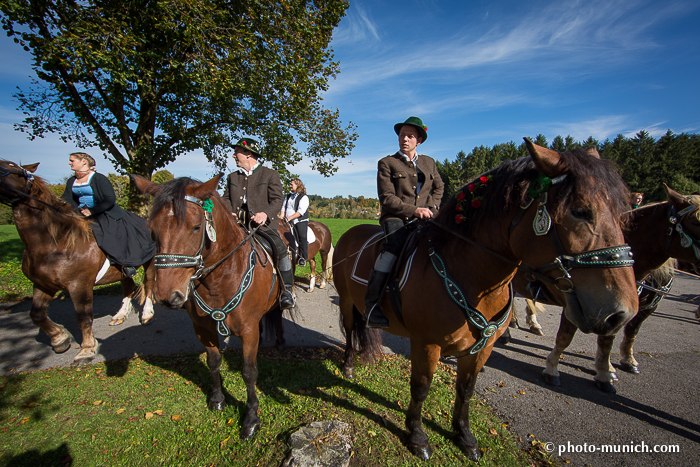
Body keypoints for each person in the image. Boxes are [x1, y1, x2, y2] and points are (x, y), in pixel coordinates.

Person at [364, 117, 444, 328]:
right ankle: (371, 305)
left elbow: (439, 188)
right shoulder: (387, 163)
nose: (404, 139)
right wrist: (415, 210)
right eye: (401, 135)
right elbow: (387, 198)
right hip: (396, 217)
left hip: (428, 215)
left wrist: (433, 208)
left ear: (419, 140)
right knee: (394, 246)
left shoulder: (429, 162)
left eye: (409, 136)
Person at [222, 138, 295, 310]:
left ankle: (287, 290)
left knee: (281, 248)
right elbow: (225, 198)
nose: (233, 156)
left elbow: (277, 200)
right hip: (236, 225)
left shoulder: (270, 174)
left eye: (237, 152)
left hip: (262, 226)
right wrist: (228, 210)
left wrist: (265, 214)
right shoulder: (232, 177)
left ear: (248, 154)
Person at [61, 152, 156, 278]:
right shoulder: (72, 180)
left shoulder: (98, 178)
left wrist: (92, 210)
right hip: (80, 214)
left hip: (104, 213)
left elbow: (109, 199)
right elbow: (67, 198)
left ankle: (125, 265)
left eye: (72, 160)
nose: (69, 163)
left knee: (110, 237)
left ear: (84, 162)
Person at [280, 178, 310, 267]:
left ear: (297, 185)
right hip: (287, 220)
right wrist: (281, 217)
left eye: (292, 184)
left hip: (299, 220)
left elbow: (300, 212)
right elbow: (283, 208)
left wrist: (289, 218)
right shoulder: (288, 196)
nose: (290, 186)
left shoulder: (304, 197)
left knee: (302, 236)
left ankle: (303, 257)